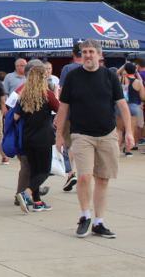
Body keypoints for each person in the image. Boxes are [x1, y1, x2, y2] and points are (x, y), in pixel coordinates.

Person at [56, 39, 134, 238]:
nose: (87, 55)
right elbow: (63, 108)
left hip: (108, 134)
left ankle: (99, 222)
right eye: (84, 52)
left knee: (103, 179)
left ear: (99, 54)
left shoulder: (109, 76)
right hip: (82, 134)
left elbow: (122, 105)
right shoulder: (73, 77)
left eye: (91, 51)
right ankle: (85, 216)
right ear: (80, 55)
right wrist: (58, 137)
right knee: (83, 176)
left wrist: (129, 133)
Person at [14, 64, 60, 213]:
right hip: (43, 137)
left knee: (34, 170)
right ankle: (26, 193)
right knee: (44, 171)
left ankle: (38, 202)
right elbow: (59, 108)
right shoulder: (46, 94)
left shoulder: (24, 95)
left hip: (27, 137)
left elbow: (16, 116)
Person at [58, 42, 83, 191]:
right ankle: (84, 172)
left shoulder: (68, 69)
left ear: (73, 54)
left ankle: (70, 172)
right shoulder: (93, 68)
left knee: (66, 143)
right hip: (86, 114)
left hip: (69, 113)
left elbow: (62, 93)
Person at [115, 62, 144, 157]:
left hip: (121, 105)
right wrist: (137, 74)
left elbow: (116, 75)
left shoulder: (121, 79)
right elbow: (143, 96)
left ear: (125, 70)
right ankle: (128, 150)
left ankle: (117, 149)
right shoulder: (138, 82)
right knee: (130, 129)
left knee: (119, 129)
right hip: (134, 106)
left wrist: (123, 66)